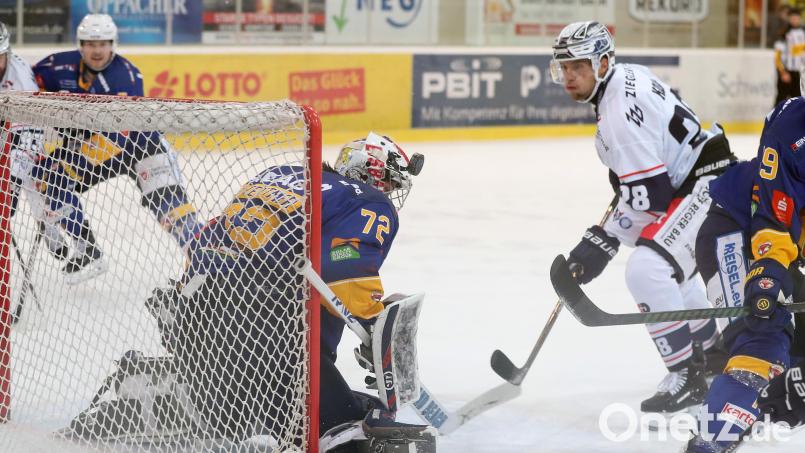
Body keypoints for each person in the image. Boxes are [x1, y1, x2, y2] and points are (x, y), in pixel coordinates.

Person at [63, 133, 433, 452]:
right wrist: (373, 320)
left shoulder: (280, 174)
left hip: (193, 319)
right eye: (386, 182)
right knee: (343, 428)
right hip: (263, 335)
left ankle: (151, 398)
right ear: (368, 173)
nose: (388, 193)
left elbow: (207, 236)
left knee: (234, 415)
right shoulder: (366, 200)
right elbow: (342, 266)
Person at [550, 21, 736, 415]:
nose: (568, 76)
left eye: (577, 67)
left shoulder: (617, 116)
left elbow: (650, 200)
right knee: (670, 270)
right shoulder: (629, 75)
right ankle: (709, 352)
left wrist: (602, 241)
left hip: (706, 187)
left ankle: (686, 374)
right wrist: (615, 223)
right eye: (563, 68)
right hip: (707, 176)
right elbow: (649, 187)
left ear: (602, 63)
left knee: (647, 270)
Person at [31, 13, 200, 283]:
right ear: (80, 44)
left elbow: (118, 137)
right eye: (90, 43)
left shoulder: (126, 77)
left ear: (113, 44)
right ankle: (87, 250)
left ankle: (204, 260)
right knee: (44, 176)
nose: (97, 50)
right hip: (89, 144)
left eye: (103, 43)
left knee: (170, 207)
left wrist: (70, 161)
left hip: (142, 146)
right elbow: (24, 85)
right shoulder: (56, 67)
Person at [685, 92, 805, 452]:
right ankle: (709, 442)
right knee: (762, 339)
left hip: (790, 247)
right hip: (738, 228)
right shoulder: (790, 127)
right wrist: (766, 275)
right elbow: (773, 217)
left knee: (794, 367)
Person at [0, 21, 70, 261]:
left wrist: (13, 179)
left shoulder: (21, 78)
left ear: (6, 54)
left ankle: (52, 234)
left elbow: (32, 130)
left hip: (25, 130)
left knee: (29, 175)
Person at [773, 7, 805, 105]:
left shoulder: (803, 32)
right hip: (787, 72)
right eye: (793, 17)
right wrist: (783, 73)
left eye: (797, 17)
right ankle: (775, 120)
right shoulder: (784, 34)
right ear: (789, 19)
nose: (795, 20)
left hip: (799, 74)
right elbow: (777, 57)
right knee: (781, 101)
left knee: (799, 102)